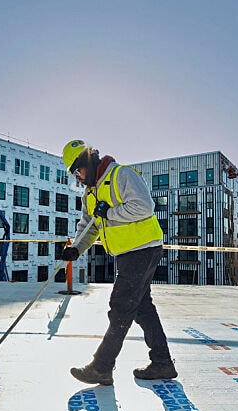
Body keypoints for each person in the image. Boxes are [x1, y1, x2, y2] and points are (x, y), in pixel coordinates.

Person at [60, 139, 176, 385]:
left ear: (87, 163)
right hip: (127, 253)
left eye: (78, 171)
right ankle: (162, 363)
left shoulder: (121, 174)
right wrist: (76, 249)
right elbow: (89, 226)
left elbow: (144, 207)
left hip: (143, 248)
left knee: (121, 305)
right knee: (142, 308)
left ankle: (101, 367)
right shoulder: (90, 194)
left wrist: (109, 212)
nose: (78, 178)